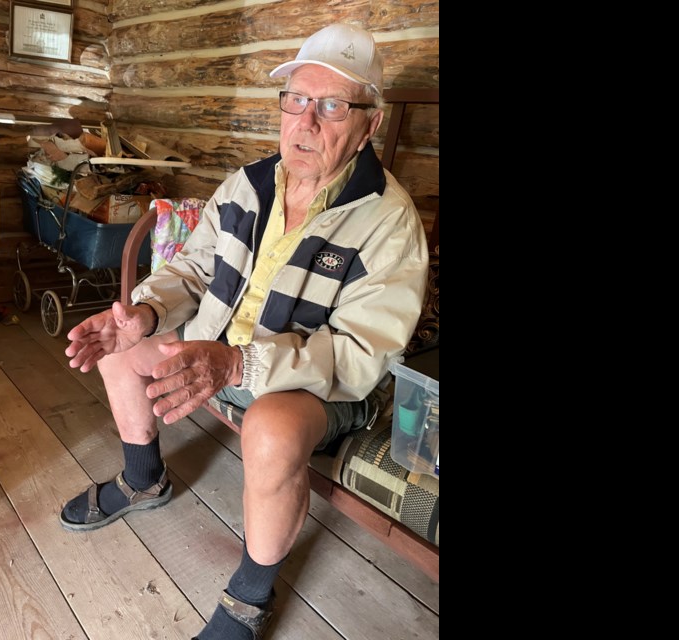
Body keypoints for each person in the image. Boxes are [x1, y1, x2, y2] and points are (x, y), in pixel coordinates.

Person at [61, 22, 429, 640]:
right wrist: (145, 315)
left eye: (334, 105)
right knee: (122, 354)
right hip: (217, 352)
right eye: (296, 100)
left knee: (271, 426)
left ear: (371, 123)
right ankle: (143, 479)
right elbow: (195, 269)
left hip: (318, 389)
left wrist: (237, 367)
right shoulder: (248, 184)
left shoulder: (389, 224)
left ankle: (249, 597)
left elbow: (360, 356)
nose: (306, 122)